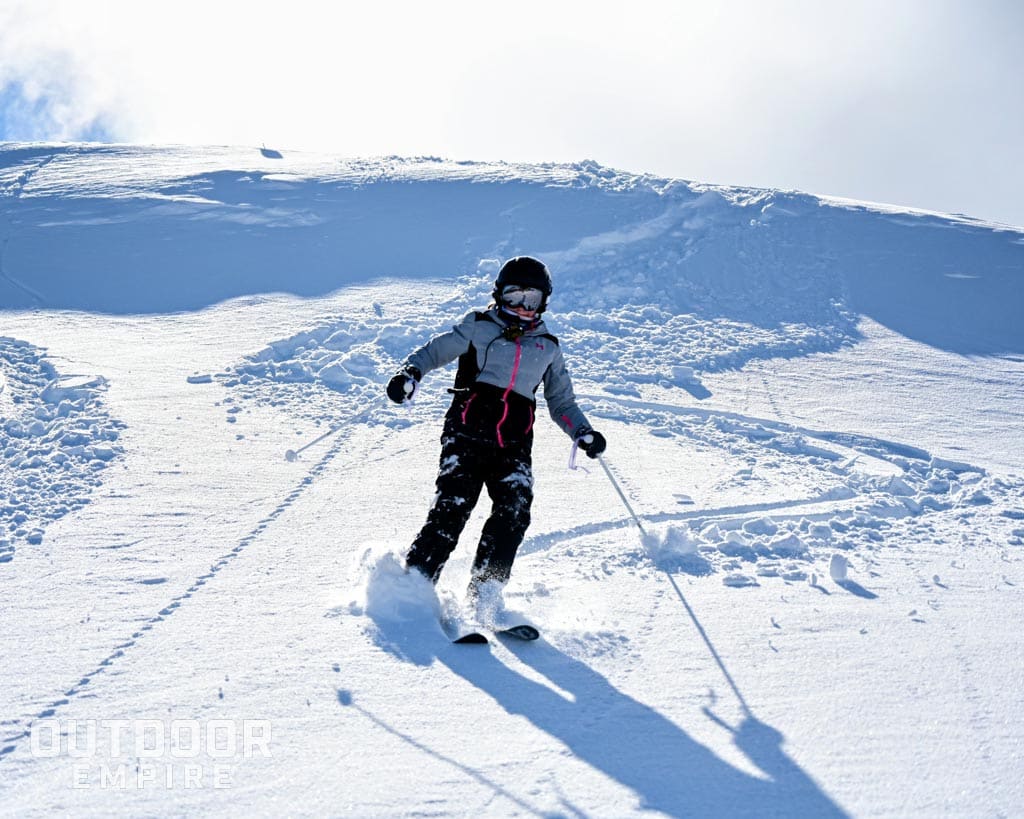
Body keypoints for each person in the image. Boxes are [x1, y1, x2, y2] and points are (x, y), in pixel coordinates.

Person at [386, 256, 606, 606]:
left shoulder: (548, 347)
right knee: (452, 508)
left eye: (531, 299)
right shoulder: (478, 326)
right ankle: (412, 590)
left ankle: (485, 595)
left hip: (513, 445)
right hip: (466, 435)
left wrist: (583, 432)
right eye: (514, 296)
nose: (522, 307)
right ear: (499, 294)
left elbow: (561, 401)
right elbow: (433, 352)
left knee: (514, 511)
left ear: (543, 301)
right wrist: (409, 374)